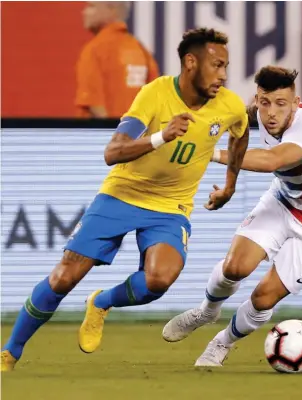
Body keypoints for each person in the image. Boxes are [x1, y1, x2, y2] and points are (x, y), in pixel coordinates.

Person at [1, 28, 249, 371]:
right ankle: (10, 353)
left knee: (159, 280)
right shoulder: (155, 94)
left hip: (169, 208)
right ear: (191, 63)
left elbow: (240, 133)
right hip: (121, 195)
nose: (223, 75)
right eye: (217, 65)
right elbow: (112, 152)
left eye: (226, 67)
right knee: (63, 277)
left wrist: (230, 185)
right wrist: (161, 136)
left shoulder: (231, 106)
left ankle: (102, 301)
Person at [162, 65, 302, 367]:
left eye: (281, 104)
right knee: (234, 267)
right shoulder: (260, 112)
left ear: (296, 102)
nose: (271, 113)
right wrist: (228, 187)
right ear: (257, 100)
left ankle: (221, 343)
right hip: (284, 200)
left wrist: (207, 153)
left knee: (264, 298)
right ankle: (206, 311)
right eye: (265, 103)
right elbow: (232, 128)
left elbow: (270, 160)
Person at [75, 1, 159, 118]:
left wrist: (115, 134)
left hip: (104, 133)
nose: (84, 12)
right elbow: (155, 100)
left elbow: (94, 105)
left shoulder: (94, 49)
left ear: (112, 10)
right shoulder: (140, 49)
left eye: (91, 6)